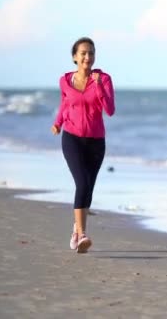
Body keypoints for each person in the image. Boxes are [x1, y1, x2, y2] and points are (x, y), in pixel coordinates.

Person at [51, 37, 115, 253]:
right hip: (72, 138)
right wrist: (58, 123)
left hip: (96, 141)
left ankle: (77, 231)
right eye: (84, 53)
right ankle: (83, 234)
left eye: (92, 53)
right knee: (81, 182)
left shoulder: (104, 79)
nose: (88, 57)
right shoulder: (65, 81)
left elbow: (110, 109)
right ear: (75, 57)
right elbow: (65, 103)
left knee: (88, 186)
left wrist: (98, 85)